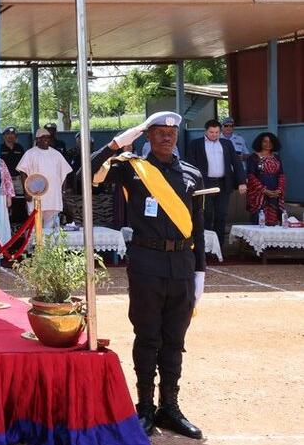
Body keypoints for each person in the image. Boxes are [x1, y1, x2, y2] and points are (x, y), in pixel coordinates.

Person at [90, 112, 205, 439]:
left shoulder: (192, 175)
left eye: (171, 132)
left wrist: (200, 272)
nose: (167, 137)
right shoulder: (131, 169)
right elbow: (86, 176)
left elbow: (198, 227)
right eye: (159, 132)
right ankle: (144, 409)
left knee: (175, 339)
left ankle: (170, 407)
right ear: (147, 135)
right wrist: (117, 142)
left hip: (181, 264)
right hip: (147, 263)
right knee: (148, 337)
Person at [186, 119, 246, 245]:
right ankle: (206, 246)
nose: (214, 135)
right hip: (204, 184)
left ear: (220, 132)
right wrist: (192, 183)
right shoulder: (195, 144)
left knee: (221, 215)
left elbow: (236, 163)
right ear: (205, 131)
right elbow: (190, 165)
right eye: (211, 132)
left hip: (223, 183)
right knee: (206, 214)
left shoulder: (227, 144)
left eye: (217, 132)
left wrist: (242, 181)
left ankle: (219, 246)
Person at [16, 128, 73, 231]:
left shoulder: (56, 154)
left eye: (48, 137)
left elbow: (65, 172)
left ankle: (48, 242)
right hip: (36, 195)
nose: (46, 139)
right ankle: (35, 242)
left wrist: (63, 192)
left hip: (53, 196)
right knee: (34, 226)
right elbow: (23, 171)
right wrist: (27, 191)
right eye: (43, 137)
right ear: (37, 139)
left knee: (50, 227)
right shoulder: (30, 153)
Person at [246, 132, 286, 226]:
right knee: (258, 221)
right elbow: (251, 176)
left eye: (270, 142)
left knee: (274, 222)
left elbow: (281, 175)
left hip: (275, 193)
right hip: (258, 194)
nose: (268, 144)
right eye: (265, 141)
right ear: (260, 143)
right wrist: (264, 190)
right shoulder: (253, 158)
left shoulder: (276, 158)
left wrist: (279, 190)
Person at [0, 126, 27, 223]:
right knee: (5, 201)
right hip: (4, 180)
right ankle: (6, 223)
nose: (10, 136)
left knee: (19, 200)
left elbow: (24, 165)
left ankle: (19, 224)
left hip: (18, 179)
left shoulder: (20, 148)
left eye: (13, 134)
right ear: (4, 136)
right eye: (8, 134)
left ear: (16, 137)